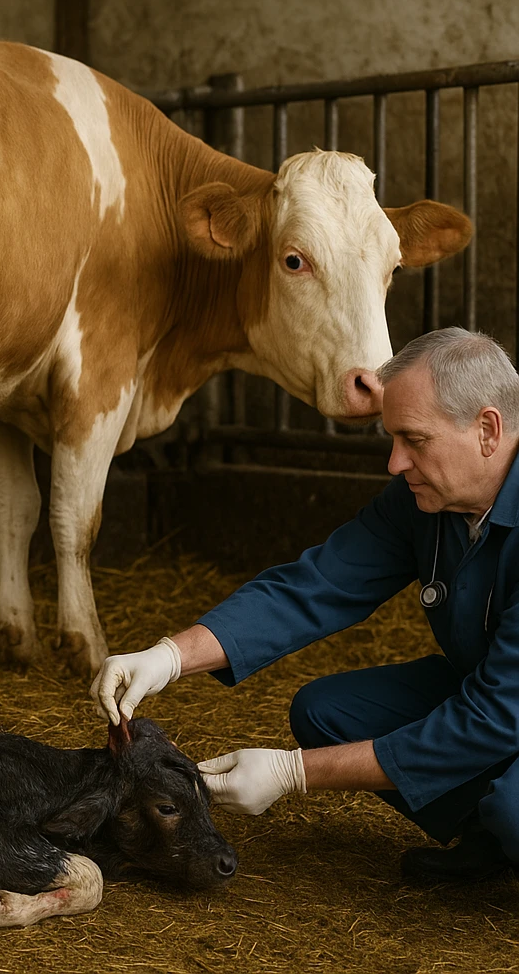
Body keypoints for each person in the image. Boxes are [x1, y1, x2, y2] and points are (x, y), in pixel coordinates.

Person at [91, 327, 519, 882]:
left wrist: (296, 774)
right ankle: (489, 839)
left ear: (487, 429)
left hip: (500, 709)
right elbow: (317, 584)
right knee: (327, 712)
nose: (394, 463)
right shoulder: (430, 500)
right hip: (498, 696)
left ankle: (504, 822)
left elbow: (490, 721)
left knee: (515, 808)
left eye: (414, 440)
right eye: (393, 440)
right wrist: (169, 656)